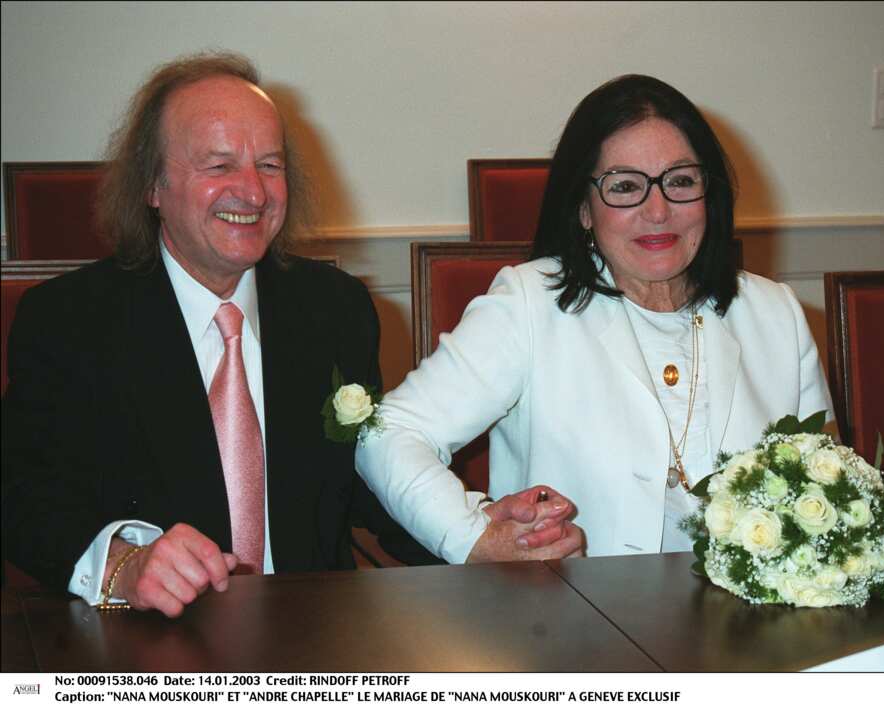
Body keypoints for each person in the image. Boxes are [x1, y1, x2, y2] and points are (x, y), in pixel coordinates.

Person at [1, 52, 576, 618]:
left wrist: (475, 531)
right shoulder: (70, 321)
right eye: (219, 165)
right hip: (151, 645)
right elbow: (23, 499)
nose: (253, 192)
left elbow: (358, 486)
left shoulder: (334, 309)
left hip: (316, 634)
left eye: (270, 165)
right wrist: (123, 566)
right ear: (153, 185)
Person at [357, 74, 834, 561]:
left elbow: (830, 488)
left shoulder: (777, 314)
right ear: (584, 208)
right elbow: (389, 433)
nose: (658, 210)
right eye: (624, 186)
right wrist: (472, 539)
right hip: (574, 621)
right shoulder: (528, 305)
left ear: (708, 195)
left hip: (748, 626)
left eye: (680, 181)